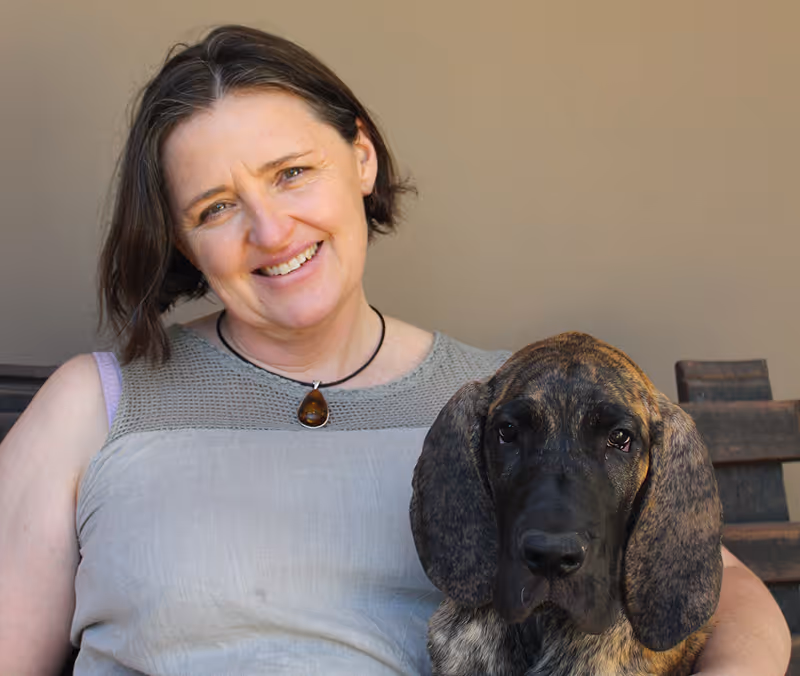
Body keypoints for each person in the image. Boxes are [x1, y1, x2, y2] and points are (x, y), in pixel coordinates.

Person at [0, 24, 790, 676]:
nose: (270, 231)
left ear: (362, 158)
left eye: (292, 173)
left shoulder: (508, 408)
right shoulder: (94, 404)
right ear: (181, 240)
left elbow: (712, 586)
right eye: (215, 208)